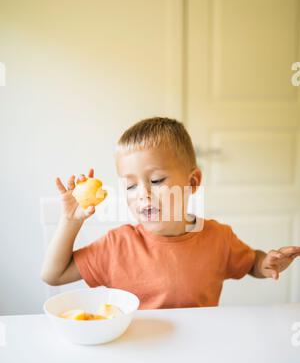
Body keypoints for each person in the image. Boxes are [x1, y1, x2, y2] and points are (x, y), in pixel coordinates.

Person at [41, 117, 300, 309]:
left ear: (193, 182)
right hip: (138, 352)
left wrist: (266, 264)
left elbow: (250, 262)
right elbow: (54, 275)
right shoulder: (117, 245)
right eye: (130, 185)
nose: (142, 193)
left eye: (156, 181)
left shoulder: (219, 238)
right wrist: (70, 221)